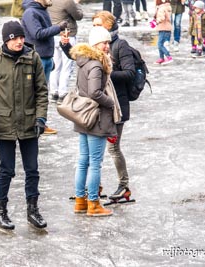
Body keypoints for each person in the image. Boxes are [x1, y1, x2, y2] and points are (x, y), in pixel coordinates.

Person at [60, 11, 136, 204]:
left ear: (108, 26)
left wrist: (107, 75)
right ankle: (94, 188)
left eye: (98, 24)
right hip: (100, 109)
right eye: (93, 25)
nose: (95, 27)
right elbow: (82, 62)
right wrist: (66, 46)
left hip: (118, 105)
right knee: (94, 158)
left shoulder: (120, 46)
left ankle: (123, 185)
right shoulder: (97, 58)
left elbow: (129, 73)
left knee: (112, 149)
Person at [0, 21, 48, 230]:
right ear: (6, 40)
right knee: (7, 170)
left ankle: (33, 209)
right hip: (5, 125)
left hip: (29, 123)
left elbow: (41, 92)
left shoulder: (33, 58)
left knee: (32, 169)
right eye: (15, 38)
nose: (20, 41)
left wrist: (41, 119)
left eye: (21, 37)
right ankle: (0, 211)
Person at [70, 26, 117, 216]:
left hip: (83, 116)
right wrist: (111, 102)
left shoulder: (83, 61)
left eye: (108, 43)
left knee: (83, 161)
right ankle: (93, 204)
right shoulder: (96, 64)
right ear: (95, 44)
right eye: (104, 43)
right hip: (95, 118)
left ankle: (80, 201)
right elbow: (95, 92)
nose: (107, 46)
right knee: (95, 163)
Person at [21, 0, 68, 134]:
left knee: (42, 93)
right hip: (37, 58)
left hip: (46, 58)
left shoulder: (42, 10)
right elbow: (37, 34)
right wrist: (58, 28)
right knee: (34, 93)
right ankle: (30, 125)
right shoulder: (30, 12)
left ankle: (40, 123)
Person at [48, 0, 83, 104]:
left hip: (53, 34)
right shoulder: (68, 1)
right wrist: (77, 4)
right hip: (67, 35)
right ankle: (62, 93)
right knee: (67, 66)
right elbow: (78, 16)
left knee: (55, 65)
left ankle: (54, 91)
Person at [154, 0, 173, 64]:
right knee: (162, 43)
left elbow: (162, 17)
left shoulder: (162, 8)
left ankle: (168, 56)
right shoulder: (167, 7)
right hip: (166, 28)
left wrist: (156, 21)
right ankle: (161, 58)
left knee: (160, 44)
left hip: (163, 28)